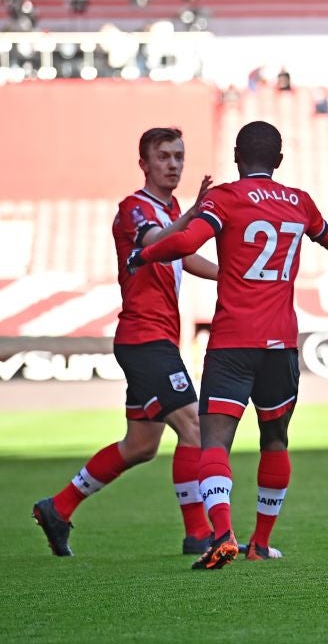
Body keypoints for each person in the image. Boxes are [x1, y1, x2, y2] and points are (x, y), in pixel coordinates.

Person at [126, 121, 328, 569]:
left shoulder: (224, 198)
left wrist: (144, 254)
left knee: (215, 441)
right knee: (275, 440)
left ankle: (221, 533)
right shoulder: (300, 202)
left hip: (232, 342)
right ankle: (259, 542)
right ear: (278, 161)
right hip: (281, 346)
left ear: (236, 158)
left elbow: (184, 241)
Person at [32, 127, 217, 557]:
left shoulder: (168, 209)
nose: (173, 165)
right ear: (145, 164)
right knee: (194, 426)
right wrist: (191, 216)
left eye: (179, 157)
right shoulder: (134, 208)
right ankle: (198, 535)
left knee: (140, 446)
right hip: (144, 339)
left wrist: (231, 275)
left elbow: (182, 253)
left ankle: (58, 507)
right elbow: (156, 241)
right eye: (165, 157)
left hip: (157, 340)